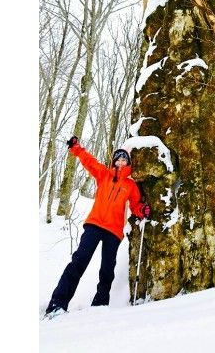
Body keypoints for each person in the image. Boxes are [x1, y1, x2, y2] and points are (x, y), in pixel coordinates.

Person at [45, 136, 151, 317]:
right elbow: (89, 161)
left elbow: (135, 206)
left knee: (107, 270)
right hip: (94, 224)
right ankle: (57, 304)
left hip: (114, 231)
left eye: (125, 158)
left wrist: (142, 210)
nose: (121, 161)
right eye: (118, 158)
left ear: (128, 163)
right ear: (114, 161)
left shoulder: (131, 185)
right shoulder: (104, 175)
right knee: (79, 261)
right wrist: (76, 148)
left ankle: (99, 306)